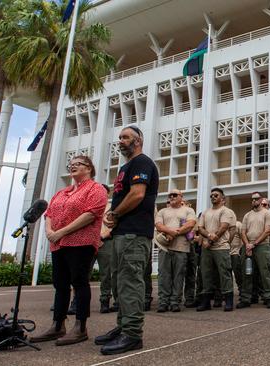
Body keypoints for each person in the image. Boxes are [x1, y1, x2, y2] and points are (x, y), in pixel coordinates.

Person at [95, 125, 159, 355]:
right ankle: (122, 326)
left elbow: (137, 194)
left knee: (130, 282)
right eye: (119, 137)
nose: (120, 141)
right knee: (120, 282)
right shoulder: (124, 167)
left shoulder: (142, 162)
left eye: (126, 137)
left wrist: (115, 214)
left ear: (138, 140)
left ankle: (132, 334)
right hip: (122, 234)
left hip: (134, 233)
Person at [30, 155, 107, 346]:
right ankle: (58, 325)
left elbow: (91, 214)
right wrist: (49, 231)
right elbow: (49, 213)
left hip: (80, 243)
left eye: (77, 164)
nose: (72, 167)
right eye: (70, 165)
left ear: (88, 168)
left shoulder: (95, 188)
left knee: (79, 282)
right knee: (60, 284)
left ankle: (80, 327)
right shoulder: (61, 192)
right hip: (57, 243)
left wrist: (62, 232)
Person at [154, 190, 196, 313]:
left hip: (181, 248)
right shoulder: (163, 211)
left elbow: (190, 224)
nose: (171, 197)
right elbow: (158, 225)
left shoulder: (188, 210)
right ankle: (163, 302)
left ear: (181, 197)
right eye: (170, 195)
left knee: (179, 276)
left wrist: (175, 233)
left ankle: (175, 302)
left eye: (175, 195)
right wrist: (171, 232)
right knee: (163, 276)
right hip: (164, 248)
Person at [196, 188, 236, 312]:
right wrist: (208, 236)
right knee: (206, 274)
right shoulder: (205, 212)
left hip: (221, 248)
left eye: (216, 195)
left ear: (222, 199)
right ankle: (206, 302)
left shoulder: (226, 211)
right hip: (207, 248)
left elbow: (224, 227)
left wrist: (212, 240)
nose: (213, 197)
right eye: (211, 195)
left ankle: (228, 301)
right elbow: (200, 228)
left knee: (224, 274)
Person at [238, 192, 270, 309]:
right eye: (252, 199)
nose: (254, 201)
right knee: (247, 273)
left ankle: (269, 297)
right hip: (248, 247)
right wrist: (247, 245)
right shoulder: (247, 215)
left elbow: (267, 231)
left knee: (265, 272)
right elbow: (243, 232)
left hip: (262, 246)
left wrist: (254, 244)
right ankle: (246, 299)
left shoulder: (267, 214)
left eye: (256, 199)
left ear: (261, 200)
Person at [97, 185, 115, 314]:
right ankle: (76, 302)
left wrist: (102, 237)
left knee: (106, 274)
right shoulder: (90, 206)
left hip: (106, 242)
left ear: (108, 194)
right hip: (89, 242)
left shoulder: (112, 207)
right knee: (82, 274)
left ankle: (105, 300)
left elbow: (114, 225)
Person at [230, 221, 244, 292]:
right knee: (226, 274)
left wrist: (240, 249)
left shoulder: (238, 224)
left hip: (235, 252)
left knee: (238, 273)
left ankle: (242, 290)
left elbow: (243, 237)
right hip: (224, 251)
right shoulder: (221, 223)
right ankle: (228, 291)